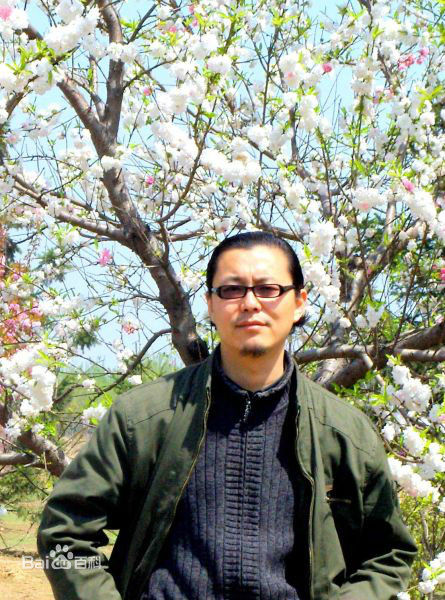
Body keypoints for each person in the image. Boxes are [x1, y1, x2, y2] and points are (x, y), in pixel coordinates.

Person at [37, 231, 417, 600]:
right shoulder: (144, 417)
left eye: (268, 289)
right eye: (232, 290)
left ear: (299, 302)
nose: (250, 303)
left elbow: (388, 556)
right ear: (210, 304)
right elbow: (65, 531)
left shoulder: (344, 432)